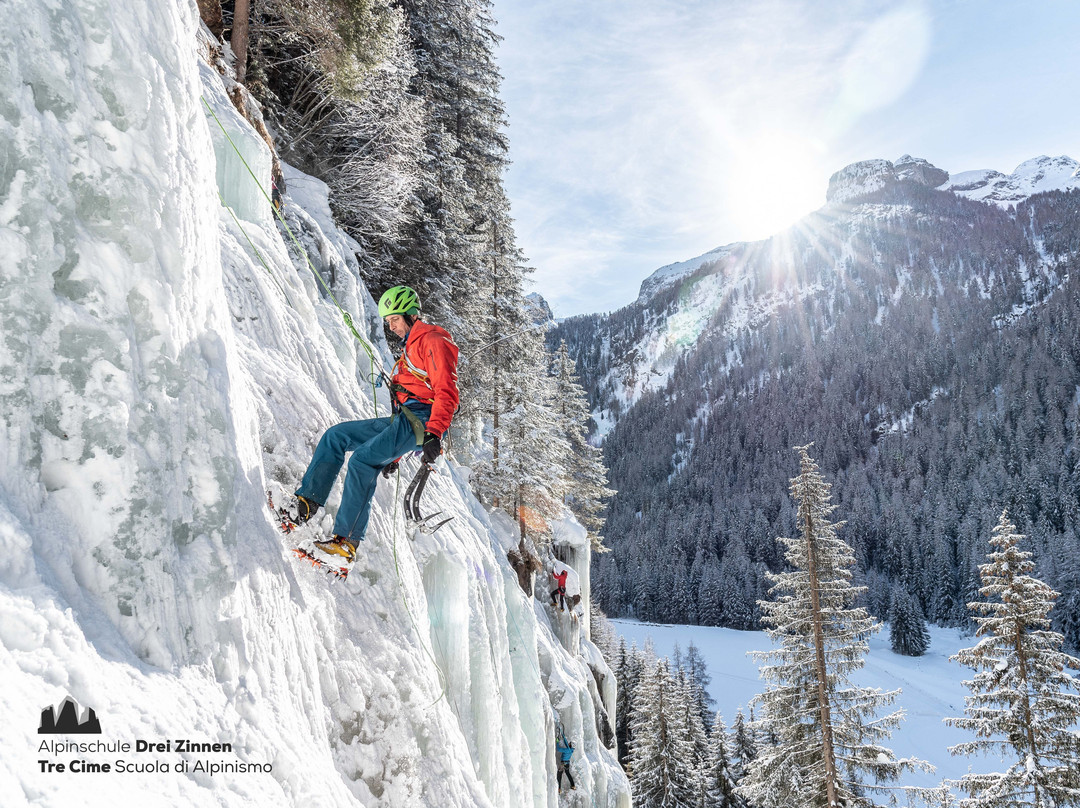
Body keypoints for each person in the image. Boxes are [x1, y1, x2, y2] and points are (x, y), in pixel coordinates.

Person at [292, 285, 459, 561]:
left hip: (420, 420)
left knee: (361, 461)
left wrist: (433, 434)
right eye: (388, 321)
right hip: (404, 418)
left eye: (394, 319)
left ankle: (345, 544)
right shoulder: (412, 345)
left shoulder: (433, 340)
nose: (391, 326)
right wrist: (393, 453)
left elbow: (447, 392)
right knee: (337, 436)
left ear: (409, 314)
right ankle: (307, 503)